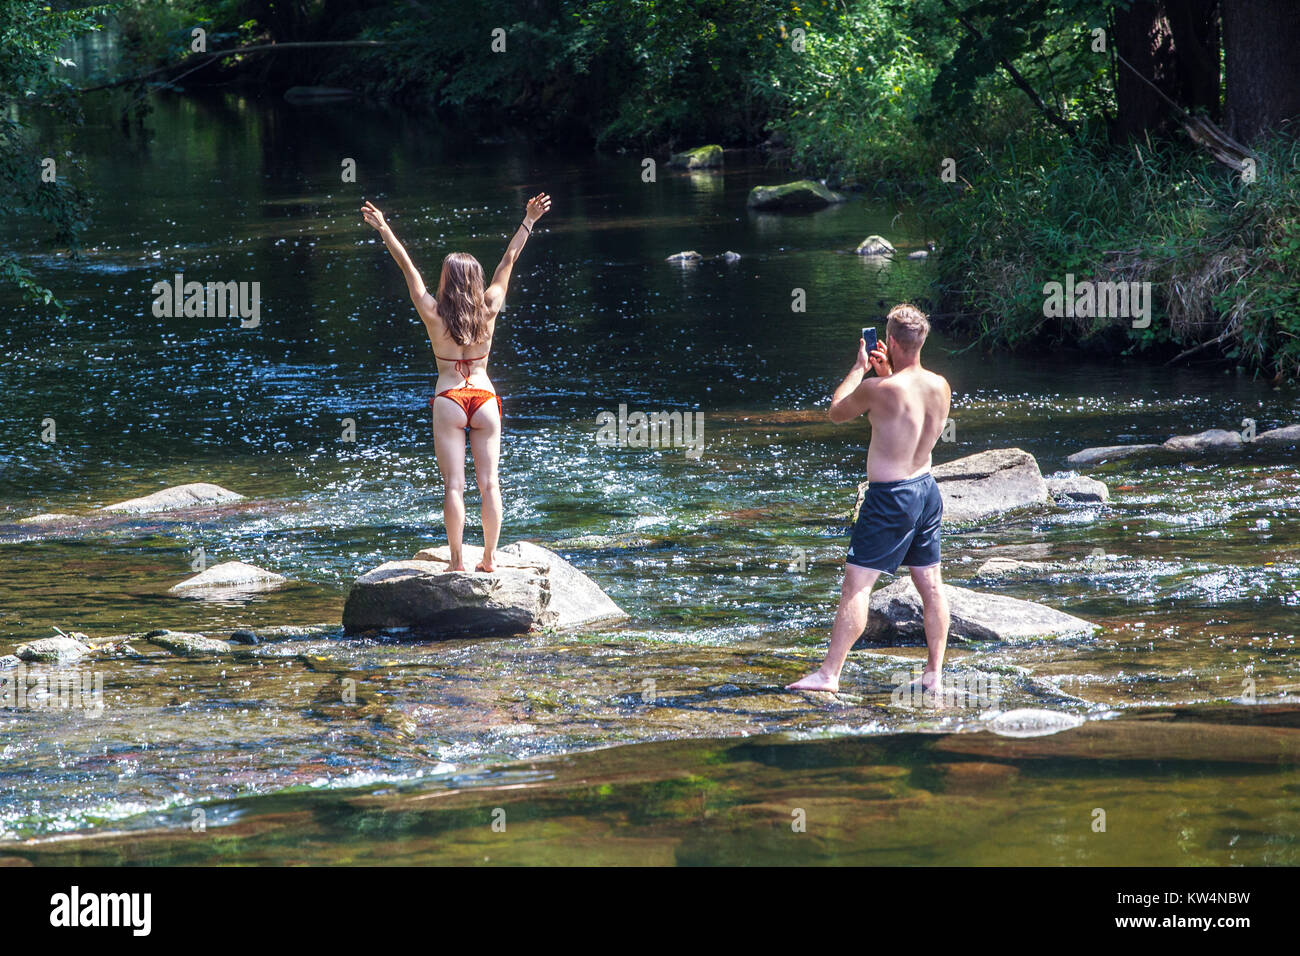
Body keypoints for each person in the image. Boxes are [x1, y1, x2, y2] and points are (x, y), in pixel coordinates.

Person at [361, 193, 552, 572]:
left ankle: (456, 563)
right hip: (484, 396)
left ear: (447, 281)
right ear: (475, 280)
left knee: (453, 486)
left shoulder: (432, 312)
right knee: (490, 484)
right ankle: (488, 560)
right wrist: (528, 221)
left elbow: (407, 267)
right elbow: (508, 259)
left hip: (449, 396)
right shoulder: (490, 306)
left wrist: (384, 228)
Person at [787, 304, 952, 696]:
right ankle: (933, 673)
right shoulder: (940, 385)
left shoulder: (878, 389)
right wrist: (887, 375)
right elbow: (905, 410)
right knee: (930, 584)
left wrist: (861, 369)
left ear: (890, 341)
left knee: (856, 587)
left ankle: (829, 674)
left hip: (890, 497)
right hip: (926, 489)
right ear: (921, 341)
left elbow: (836, 412)